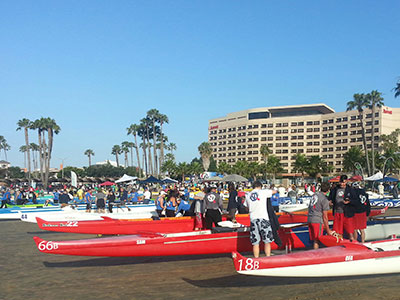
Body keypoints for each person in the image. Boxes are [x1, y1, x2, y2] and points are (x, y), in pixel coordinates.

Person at [244, 181, 281, 257]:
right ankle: (268, 256)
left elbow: (246, 207)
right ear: (260, 186)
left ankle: (256, 258)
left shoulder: (248, 195)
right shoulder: (263, 192)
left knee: (255, 242)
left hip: (253, 219)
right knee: (267, 241)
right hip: (263, 218)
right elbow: (274, 191)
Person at [307, 182, 333, 249]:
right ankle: (316, 254)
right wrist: (328, 230)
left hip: (310, 218)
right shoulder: (324, 199)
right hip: (317, 220)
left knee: (314, 239)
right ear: (328, 190)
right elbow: (325, 216)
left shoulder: (315, 195)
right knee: (317, 240)